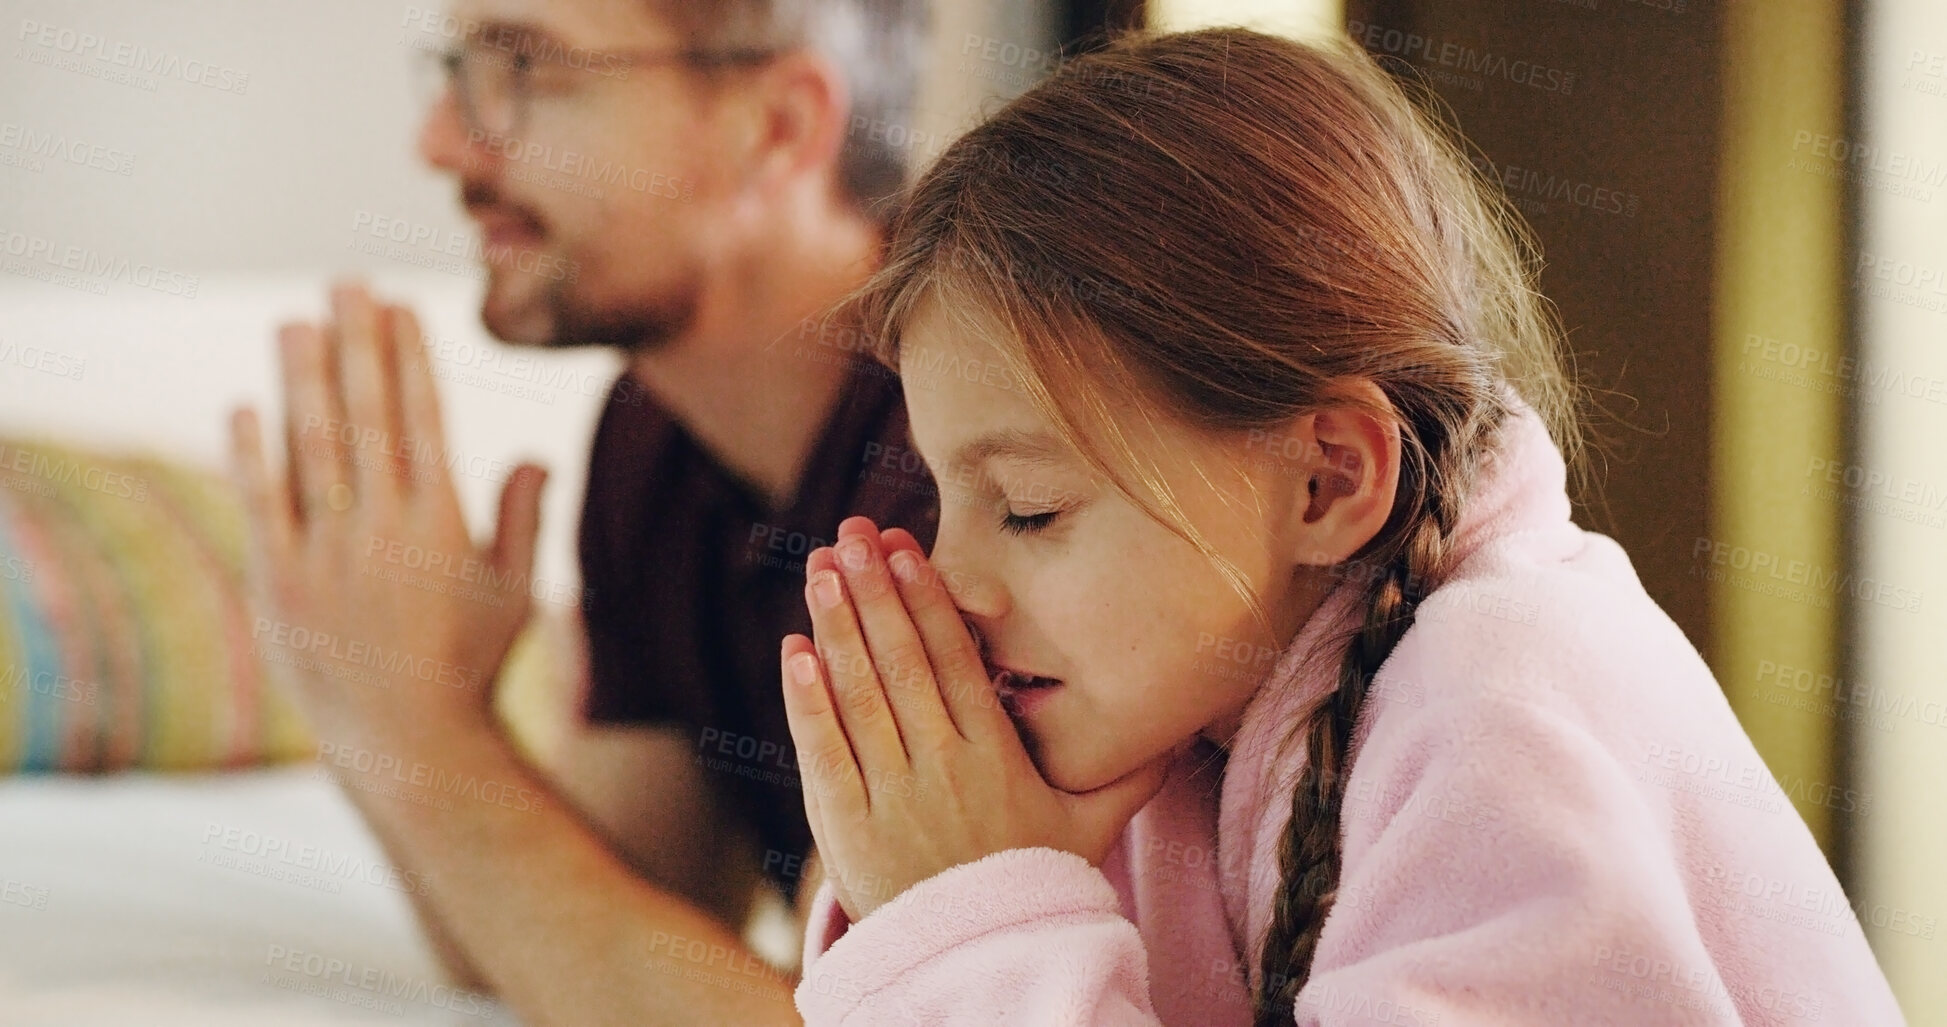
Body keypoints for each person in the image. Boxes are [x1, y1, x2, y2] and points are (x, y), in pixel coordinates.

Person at [772, 29, 1906, 1025]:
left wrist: (972, 926)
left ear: (1324, 480)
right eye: (940, 495)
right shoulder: (1167, 726)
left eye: (1029, 506)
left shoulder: (1496, 715)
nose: (952, 577)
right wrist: (931, 878)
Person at [228, 0, 933, 1023]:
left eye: (525, 64)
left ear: (775, 126)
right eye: (460, 68)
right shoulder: (655, 436)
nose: (439, 143)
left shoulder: (975, 438)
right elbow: (581, 938)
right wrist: (374, 688)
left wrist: (427, 738)